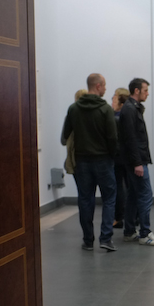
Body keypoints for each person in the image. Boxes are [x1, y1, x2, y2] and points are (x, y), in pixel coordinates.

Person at [60, 73, 119, 252]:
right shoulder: (106, 109)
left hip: (82, 162)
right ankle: (106, 238)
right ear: (98, 86)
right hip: (103, 160)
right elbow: (112, 137)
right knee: (109, 198)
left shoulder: (73, 109)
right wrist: (113, 156)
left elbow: (65, 135)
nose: (106, 88)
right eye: (105, 85)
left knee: (85, 200)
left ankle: (87, 240)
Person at [119, 77, 154, 246]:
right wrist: (138, 163)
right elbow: (130, 139)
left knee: (133, 195)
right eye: (145, 90)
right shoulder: (130, 109)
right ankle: (145, 234)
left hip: (135, 160)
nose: (147, 93)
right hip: (136, 162)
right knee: (146, 194)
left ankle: (130, 231)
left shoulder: (133, 108)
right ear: (136, 91)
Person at [111, 87, 131, 230]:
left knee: (118, 187)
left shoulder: (114, 118)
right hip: (128, 156)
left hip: (117, 157)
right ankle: (132, 217)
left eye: (114, 98)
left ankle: (119, 217)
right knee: (130, 186)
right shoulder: (129, 115)